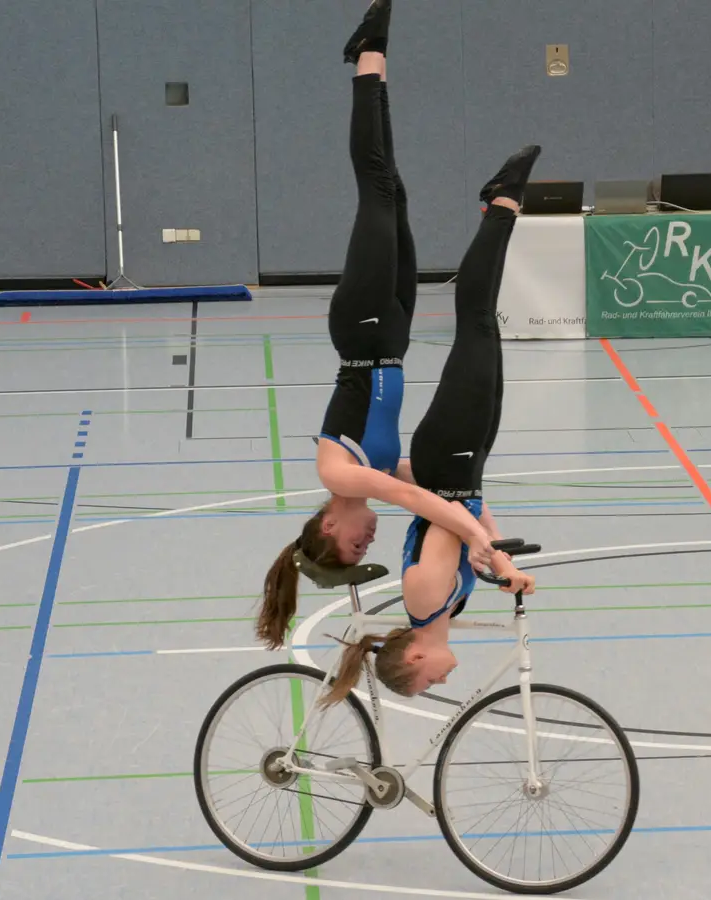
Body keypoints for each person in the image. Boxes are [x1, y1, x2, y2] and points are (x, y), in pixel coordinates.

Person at [257, 0, 502, 650]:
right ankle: (372, 60)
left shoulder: (339, 475)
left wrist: (475, 538)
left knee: (378, 189)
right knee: (394, 189)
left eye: (354, 546)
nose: (368, 541)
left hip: (362, 331)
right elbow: (443, 485)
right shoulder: (384, 467)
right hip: (390, 338)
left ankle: (368, 59)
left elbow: (418, 502)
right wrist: (489, 534)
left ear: (328, 528)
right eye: (366, 549)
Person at [320, 144, 545, 706]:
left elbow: (449, 519)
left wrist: (492, 554)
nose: (442, 682)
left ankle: (502, 203)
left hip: (448, 457)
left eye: (427, 683)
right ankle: (501, 205)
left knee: (477, 320)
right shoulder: (449, 605)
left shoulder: (423, 598)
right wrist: (497, 554)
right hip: (463, 470)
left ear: (414, 659)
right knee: (482, 323)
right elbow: (465, 516)